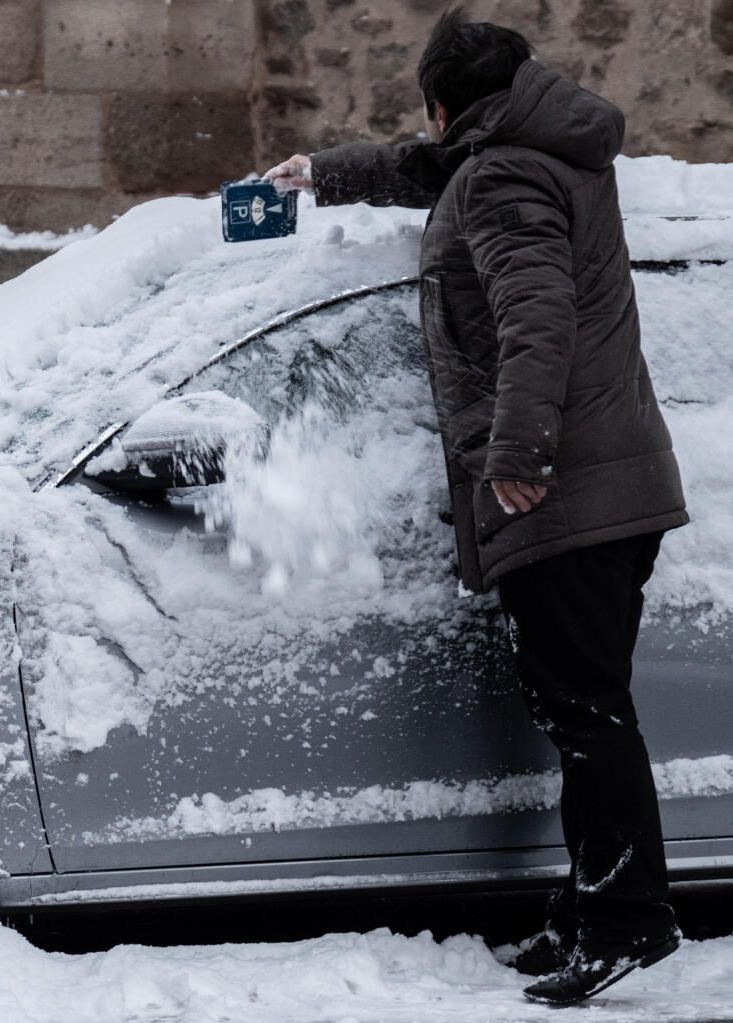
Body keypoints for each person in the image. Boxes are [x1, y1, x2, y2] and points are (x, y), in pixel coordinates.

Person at [263, 7, 687, 1007]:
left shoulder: (501, 176)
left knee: (585, 717)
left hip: (567, 493)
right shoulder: (537, 148)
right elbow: (431, 170)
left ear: (443, 99)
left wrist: (519, 455)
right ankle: (594, 906)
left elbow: (536, 317)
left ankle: (626, 922)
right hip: (609, 482)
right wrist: (323, 174)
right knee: (579, 711)